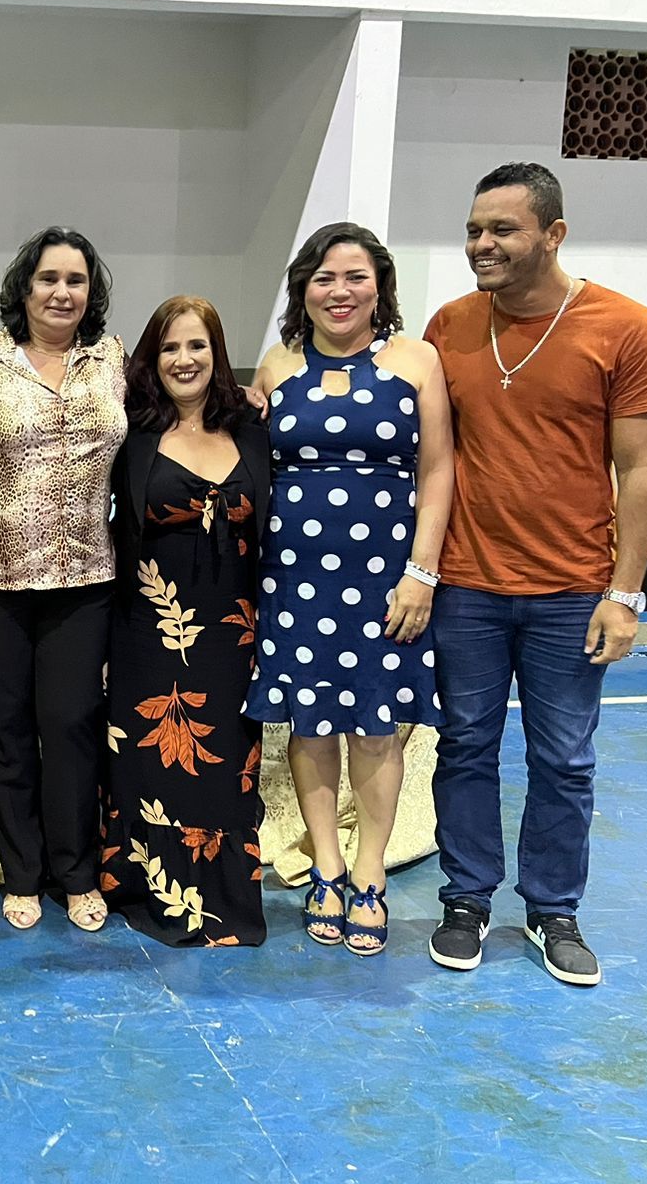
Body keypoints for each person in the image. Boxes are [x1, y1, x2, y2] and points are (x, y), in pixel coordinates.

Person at [423, 163, 647, 987]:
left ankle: (552, 909)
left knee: (565, 759)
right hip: (466, 585)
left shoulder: (626, 328)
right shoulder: (450, 326)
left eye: (502, 229)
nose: (481, 244)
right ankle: (466, 900)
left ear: (553, 234)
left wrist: (625, 595)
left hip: (572, 591)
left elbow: (642, 471)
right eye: (474, 229)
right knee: (464, 747)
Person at [243, 222, 454, 957]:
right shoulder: (278, 363)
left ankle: (369, 873)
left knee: (375, 724)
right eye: (324, 277)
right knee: (309, 724)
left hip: (385, 578)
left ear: (379, 287)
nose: (340, 291)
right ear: (303, 288)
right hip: (293, 575)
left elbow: (438, 470)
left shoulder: (416, 361)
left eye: (355, 276)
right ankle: (326, 868)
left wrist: (421, 573)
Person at [0, 227, 127, 933]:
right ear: (23, 287)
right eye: (48, 278)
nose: (61, 292)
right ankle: (21, 872)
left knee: (72, 728)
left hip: (85, 579)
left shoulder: (112, 361)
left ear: (90, 292)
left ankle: (76, 872)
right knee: (7, 731)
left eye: (76, 280)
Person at [100, 296, 272, 947]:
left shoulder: (252, 430)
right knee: (152, 768)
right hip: (146, 633)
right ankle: (152, 894)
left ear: (217, 354)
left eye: (197, 345)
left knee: (227, 764)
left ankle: (224, 900)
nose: (184, 359)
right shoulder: (130, 433)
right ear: (153, 358)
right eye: (170, 347)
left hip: (233, 636)